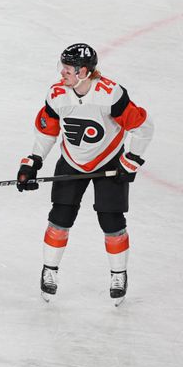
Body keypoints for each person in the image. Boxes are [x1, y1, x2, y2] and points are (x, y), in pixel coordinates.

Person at [16, 43, 154, 306]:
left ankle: (118, 274)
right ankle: (50, 270)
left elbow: (142, 126)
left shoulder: (109, 94)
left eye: (68, 67)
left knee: (112, 221)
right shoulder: (57, 94)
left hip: (108, 162)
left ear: (84, 71)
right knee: (60, 217)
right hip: (72, 161)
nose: (63, 72)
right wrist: (32, 162)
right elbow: (47, 131)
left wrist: (131, 159)